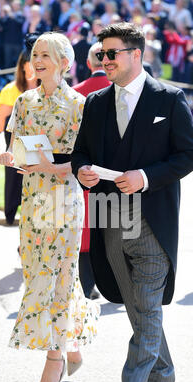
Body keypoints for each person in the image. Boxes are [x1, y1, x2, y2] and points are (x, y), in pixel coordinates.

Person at [71, 22, 193, 382]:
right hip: (110, 214)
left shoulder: (170, 99)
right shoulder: (94, 104)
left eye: (111, 53)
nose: (103, 60)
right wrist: (82, 172)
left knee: (145, 300)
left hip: (152, 219)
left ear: (136, 55)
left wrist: (144, 178)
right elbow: (80, 154)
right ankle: (162, 375)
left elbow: (188, 155)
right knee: (137, 304)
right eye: (101, 53)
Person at [0, 31, 100, 382]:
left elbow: (85, 159)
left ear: (63, 63)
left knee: (59, 275)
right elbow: (14, 148)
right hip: (33, 202)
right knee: (36, 273)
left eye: (45, 54)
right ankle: (73, 343)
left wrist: (55, 167)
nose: (37, 59)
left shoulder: (79, 104)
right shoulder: (23, 101)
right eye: (35, 54)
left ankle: (54, 359)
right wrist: (9, 158)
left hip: (65, 202)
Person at [73, 42, 111, 299]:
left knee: (86, 228)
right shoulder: (121, 93)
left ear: (88, 64)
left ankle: (86, 285)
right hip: (114, 173)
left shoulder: (75, 94)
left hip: (82, 171)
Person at [0, 39, 39, 226]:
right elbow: (1, 123)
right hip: (16, 142)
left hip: (38, 142)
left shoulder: (46, 89)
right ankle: (11, 215)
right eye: (27, 64)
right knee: (14, 182)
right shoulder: (11, 90)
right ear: (21, 66)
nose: (30, 68)